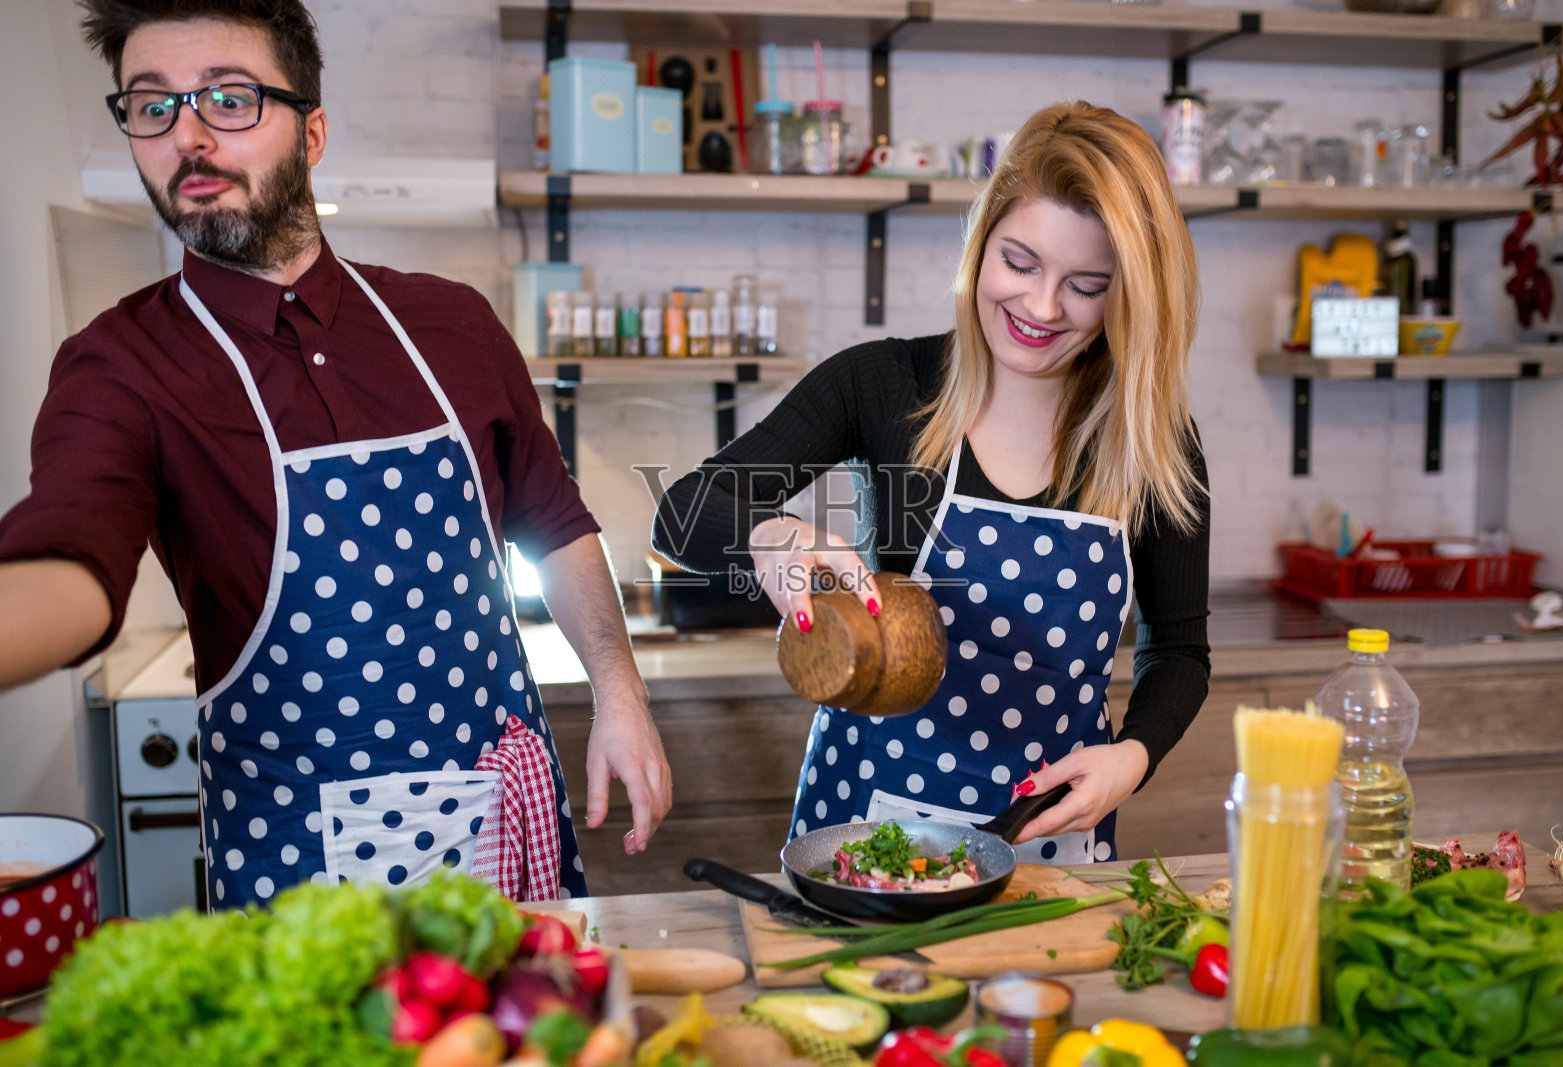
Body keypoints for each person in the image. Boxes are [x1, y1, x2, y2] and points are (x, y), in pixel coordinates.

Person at [0, 0, 670, 907]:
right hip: (301, 875)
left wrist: (617, 691)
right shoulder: (121, 365)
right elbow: (71, 560)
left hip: (506, 828)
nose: (187, 136)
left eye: (228, 99)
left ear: (312, 131)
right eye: (152, 106)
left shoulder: (451, 322)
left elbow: (552, 524)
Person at [652, 101, 1209, 865]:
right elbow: (679, 516)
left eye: (1086, 285)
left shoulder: (1149, 439)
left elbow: (1178, 649)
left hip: (1052, 845)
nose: (1042, 308)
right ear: (981, 244)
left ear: (1132, 297)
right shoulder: (883, 386)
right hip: (869, 828)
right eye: (1019, 263)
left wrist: (1133, 756)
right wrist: (770, 533)